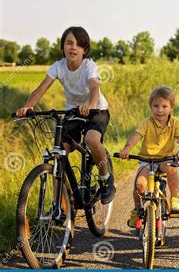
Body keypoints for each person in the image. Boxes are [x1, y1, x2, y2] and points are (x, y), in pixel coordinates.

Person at [16, 26, 115, 204]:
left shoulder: (88, 66)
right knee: (59, 154)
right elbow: (41, 89)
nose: (73, 47)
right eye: (69, 43)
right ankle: (59, 205)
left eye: (78, 44)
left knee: (92, 140)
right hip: (72, 112)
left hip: (96, 110)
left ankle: (105, 178)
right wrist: (27, 107)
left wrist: (90, 105)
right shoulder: (59, 66)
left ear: (85, 49)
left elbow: (94, 87)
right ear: (63, 47)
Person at [119, 86, 179, 228]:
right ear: (151, 106)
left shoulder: (176, 123)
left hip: (165, 159)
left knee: (171, 169)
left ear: (171, 108)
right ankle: (137, 210)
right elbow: (135, 137)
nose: (160, 110)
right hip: (146, 160)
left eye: (164, 106)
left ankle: (175, 199)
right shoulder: (147, 123)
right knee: (139, 185)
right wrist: (127, 149)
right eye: (156, 106)